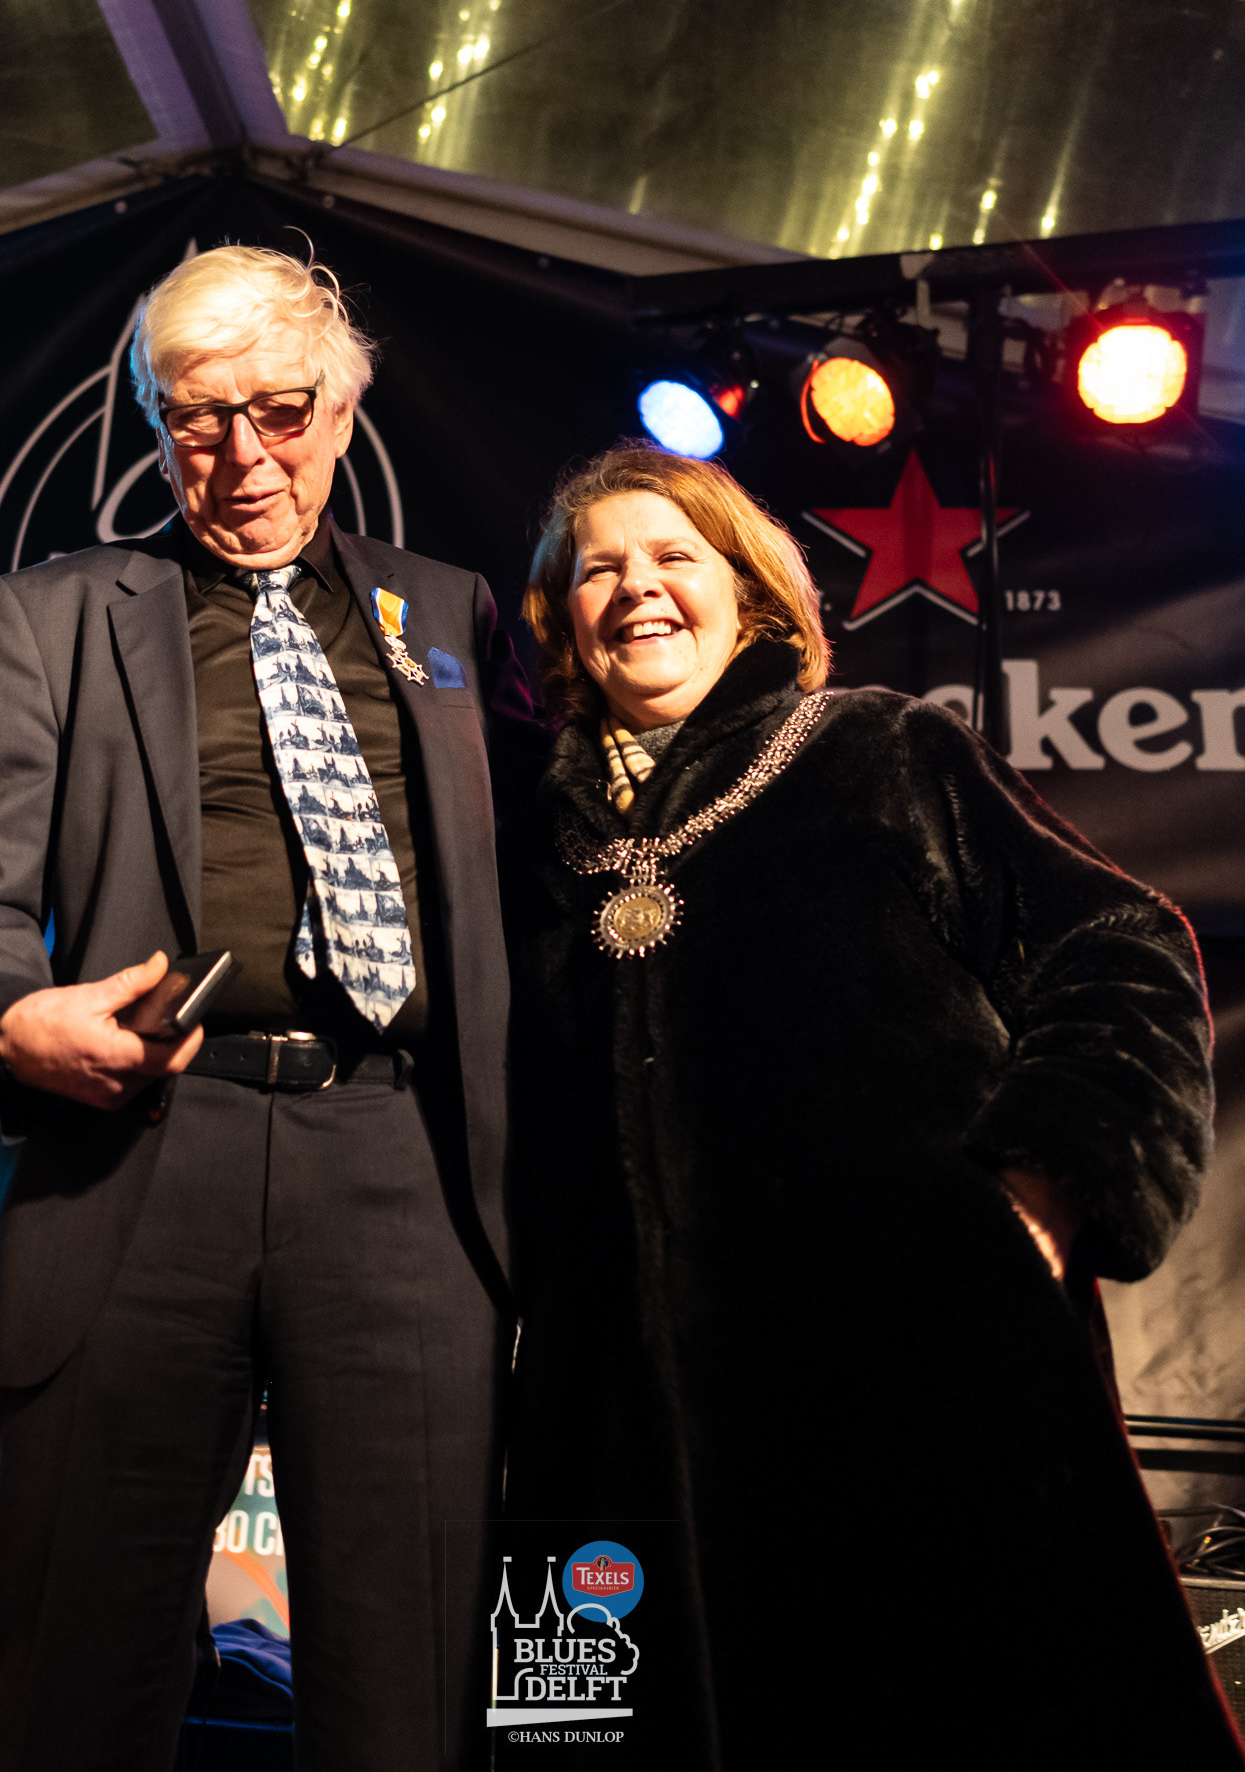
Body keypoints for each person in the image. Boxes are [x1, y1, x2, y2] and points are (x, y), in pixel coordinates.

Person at [501, 440, 1244, 1769]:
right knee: (598, 1734)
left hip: (914, 1377)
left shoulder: (880, 748)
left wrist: (1042, 1191)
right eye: (598, 571)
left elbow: (1122, 945)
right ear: (562, 620)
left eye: (672, 556)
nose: (636, 588)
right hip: (612, 1418)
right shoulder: (529, 840)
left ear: (747, 590)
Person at [0, 244, 535, 1772]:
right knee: (75, 1684)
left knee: (408, 1690)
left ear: (343, 407)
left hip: (395, 1162)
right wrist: (11, 1017)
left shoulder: (448, 614)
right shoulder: (55, 614)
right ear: (155, 424)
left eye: (280, 412)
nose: (243, 455)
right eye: (197, 418)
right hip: (137, 1153)